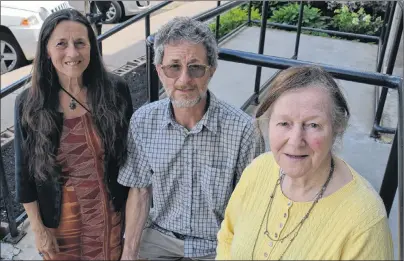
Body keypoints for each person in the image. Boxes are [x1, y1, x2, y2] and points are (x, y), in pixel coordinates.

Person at [117, 16, 264, 260]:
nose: (184, 80)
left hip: (216, 243)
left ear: (211, 72)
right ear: (159, 71)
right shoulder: (143, 122)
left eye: (195, 67)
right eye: (174, 67)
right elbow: (140, 191)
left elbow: (252, 207)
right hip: (160, 238)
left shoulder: (243, 130)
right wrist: (129, 254)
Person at [216, 65, 394, 260]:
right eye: (284, 123)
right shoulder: (258, 169)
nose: (295, 140)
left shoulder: (365, 220)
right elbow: (228, 236)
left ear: (337, 128)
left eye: (313, 125)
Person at [14, 8, 133, 260]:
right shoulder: (30, 102)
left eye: (80, 43)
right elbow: (24, 174)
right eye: (61, 44)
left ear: (91, 46)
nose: (72, 52)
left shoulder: (116, 91)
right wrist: (37, 229)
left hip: (109, 217)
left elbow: (131, 161)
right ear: (46, 50)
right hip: (59, 226)